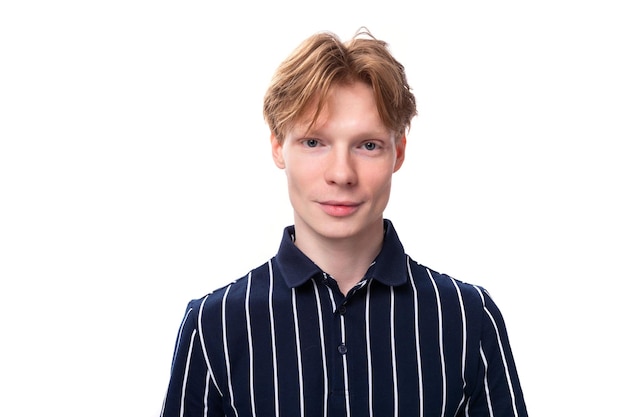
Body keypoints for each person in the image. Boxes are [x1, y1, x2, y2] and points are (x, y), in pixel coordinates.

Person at [160, 28, 528, 417]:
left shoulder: (468, 317)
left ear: (398, 152)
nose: (341, 174)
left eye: (367, 145)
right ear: (277, 147)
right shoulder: (214, 323)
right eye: (314, 142)